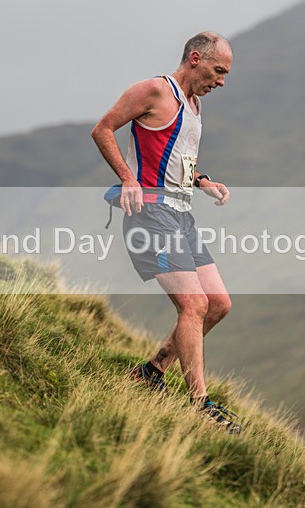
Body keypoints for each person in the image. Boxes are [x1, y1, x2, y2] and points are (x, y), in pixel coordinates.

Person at [91, 31, 242, 433]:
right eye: (218, 71)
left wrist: (201, 180)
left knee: (219, 304)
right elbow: (103, 129)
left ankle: (152, 372)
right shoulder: (155, 90)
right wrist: (126, 178)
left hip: (181, 217)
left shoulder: (193, 105)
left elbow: (174, 159)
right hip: (149, 216)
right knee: (192, 305)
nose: (221, 81)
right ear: (196, 58)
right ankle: (200, 404)